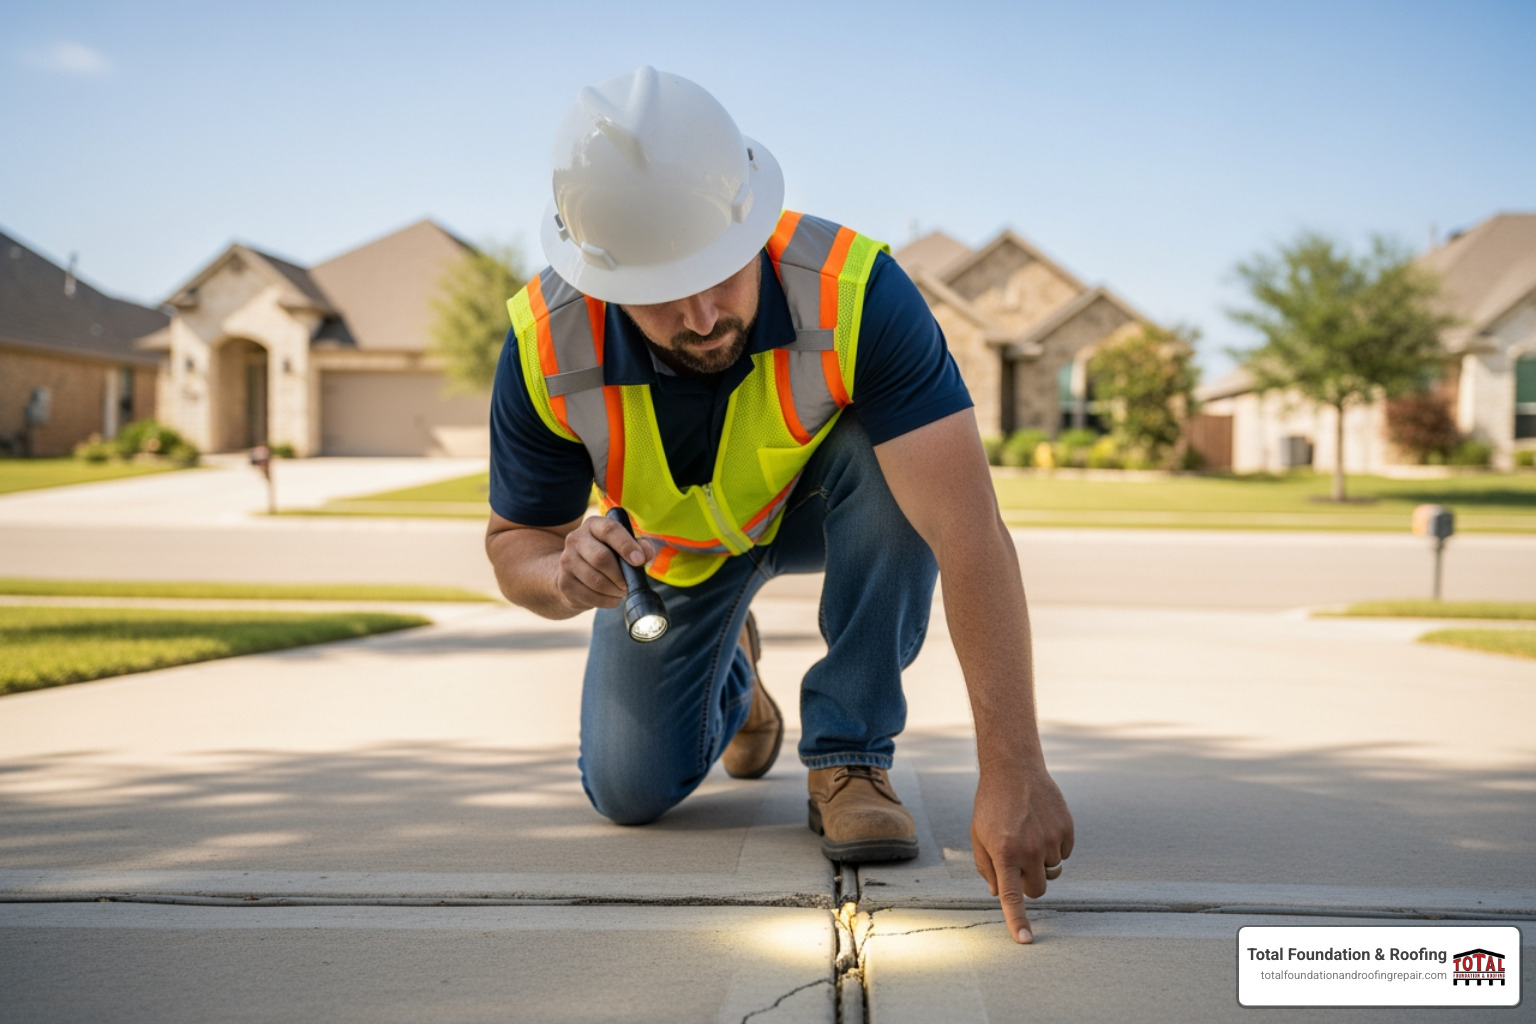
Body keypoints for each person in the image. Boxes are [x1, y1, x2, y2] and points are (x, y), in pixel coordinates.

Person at [485, 66, 1073, 944]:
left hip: (819, 509)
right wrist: (563, 575)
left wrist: (1015, 765)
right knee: (629, 791)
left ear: (753, 225)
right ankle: (740, 682)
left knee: (896, 466)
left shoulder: (857, 290)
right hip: (670, 560)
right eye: (660, 290)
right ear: (602, 282)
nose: (702, 313)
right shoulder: (544, 341)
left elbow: (969, 534)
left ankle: (849, 758)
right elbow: (513, 543)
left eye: (721, 270)